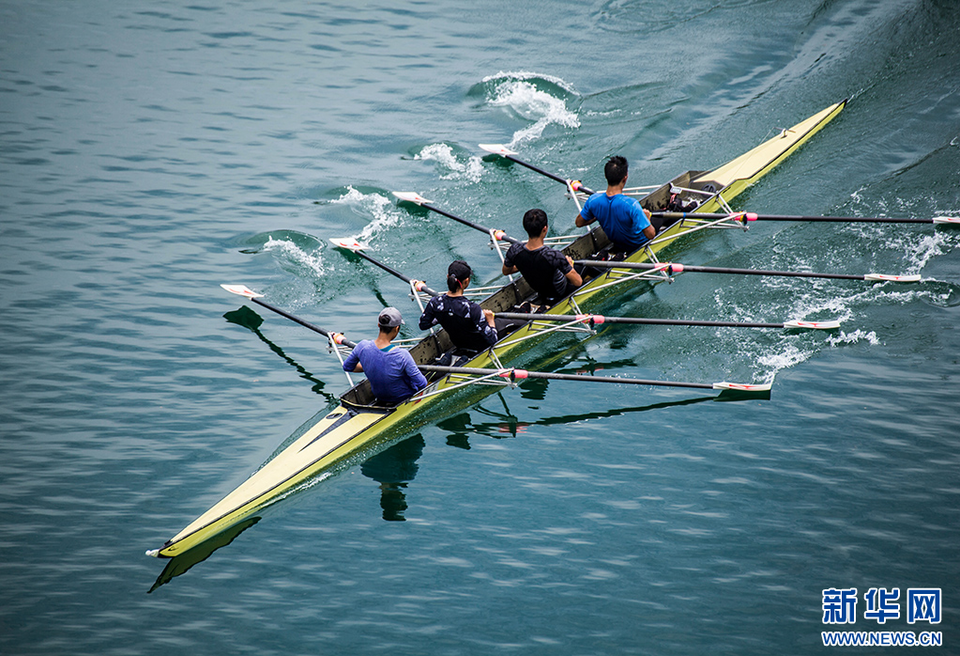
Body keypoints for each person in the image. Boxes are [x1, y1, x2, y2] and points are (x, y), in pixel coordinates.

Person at [342, 307, 428, 406]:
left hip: (380, 396)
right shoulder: (402, 355)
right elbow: (422, 384)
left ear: (379, 325)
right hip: (404, 397)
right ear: (396, 328)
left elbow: (347, 366)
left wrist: (369, 365)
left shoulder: (362, 346)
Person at [574, 155, 656, 253]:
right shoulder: (632, 205)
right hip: (638, 245)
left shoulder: (593, 200)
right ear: (625, 178)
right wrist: (647, 219)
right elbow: (651, 235)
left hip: (618, 244)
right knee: (663, 214)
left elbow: (579, 223)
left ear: (606, 176)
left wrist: (599, 214)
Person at [501, 208, 582, 304]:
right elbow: (578, 282)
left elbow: (506, 271)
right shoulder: (553, 256)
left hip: (542, 292)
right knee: (586, 267)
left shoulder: (514, 250)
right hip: (560, 293)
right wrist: (570, 267)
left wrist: (525, 264)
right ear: (545, 229)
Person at [419, 260, 500, 353]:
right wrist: (490, 320)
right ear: (466, 281)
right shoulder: (472, 308)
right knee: (500, 322)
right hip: (480, 348)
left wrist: (441, 316)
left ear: (447, 277)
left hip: (459, 344)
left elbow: (423, 325)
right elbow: (493, 340)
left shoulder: (435, 303)